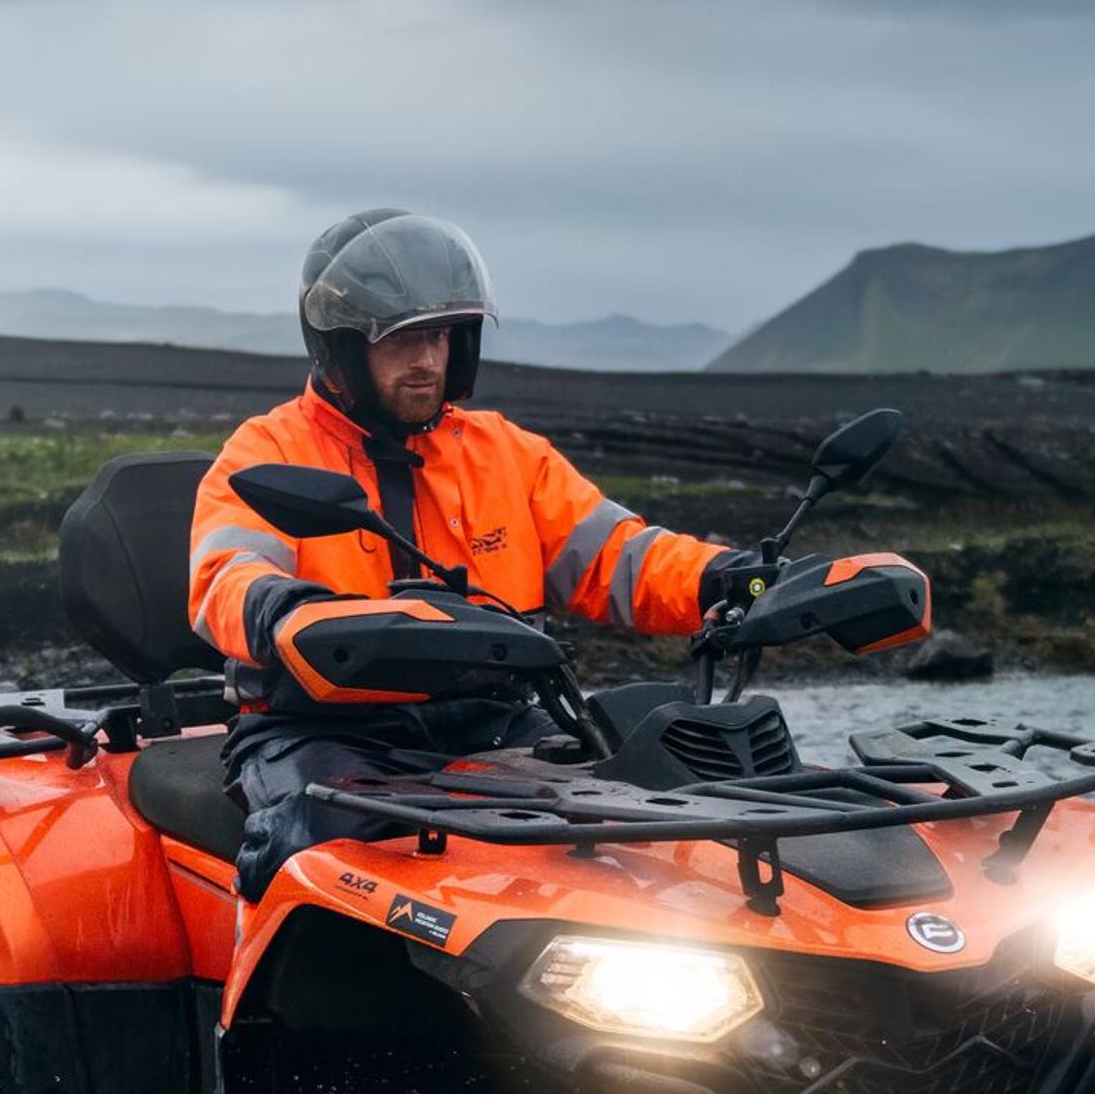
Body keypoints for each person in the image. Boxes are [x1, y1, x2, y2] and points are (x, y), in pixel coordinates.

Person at [189, 208, 928, 900]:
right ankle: (270, 1019)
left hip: (499, 720)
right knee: (326, 839)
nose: (426, 361)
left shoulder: (506, 455)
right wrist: (284, 608)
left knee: (640, 821)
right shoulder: (270, 450)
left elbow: (621, 555)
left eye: (443, 336)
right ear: (344, 344)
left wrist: (727, 578)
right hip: (325, 729)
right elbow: (227, 571)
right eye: (401, 339)